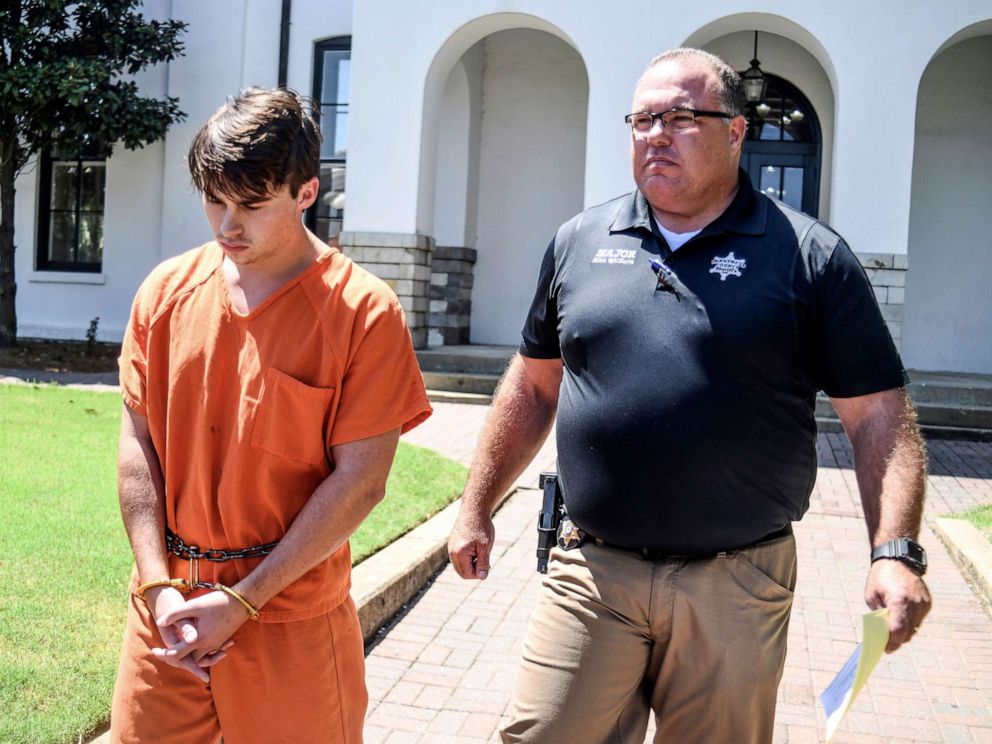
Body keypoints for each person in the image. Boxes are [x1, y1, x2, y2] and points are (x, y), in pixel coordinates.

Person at [447, 48, 932, 743]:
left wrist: (896, 550)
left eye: (680, 117)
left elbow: (879, 416)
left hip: (736, 583)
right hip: (592, 570)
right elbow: (531, 384)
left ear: (737, 132)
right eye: (643, 119)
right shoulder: (580, 243)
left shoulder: (808, 256)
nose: (655, 135)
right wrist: (476, 505)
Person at [110, 87, 431, 743]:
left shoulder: (363, 312)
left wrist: (245, 598)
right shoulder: (165, 293)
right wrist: (158, 588)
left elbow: (361, 481)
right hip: (165, 613)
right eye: (214, 200)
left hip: (289, 616)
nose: (228, 224)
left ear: (306, 191)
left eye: (252, 205)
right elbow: (137, 447)